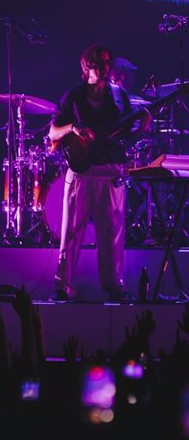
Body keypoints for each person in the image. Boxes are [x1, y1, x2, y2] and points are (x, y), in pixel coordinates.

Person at [47, 44, 151, 302]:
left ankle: (114, 286)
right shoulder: (73, 97)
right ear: (86, 65)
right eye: (98, 62)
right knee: (71, 231)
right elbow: (52, 133)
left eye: (107, 62)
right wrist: (73, 128)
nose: (104, 67)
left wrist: (143, 128)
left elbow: (126, 138)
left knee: (112, 233)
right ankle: (63, 286)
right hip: (80, 172)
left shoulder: (120, 97)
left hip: (110, 170)